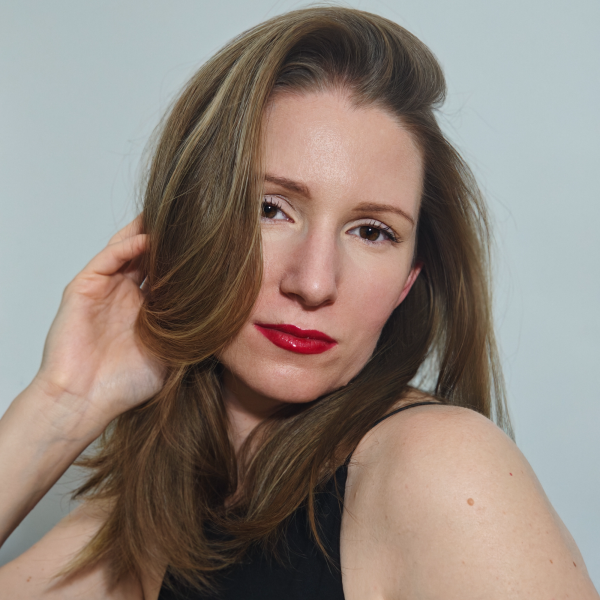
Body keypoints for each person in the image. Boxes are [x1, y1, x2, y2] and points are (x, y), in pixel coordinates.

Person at [0, 6, 597, 599]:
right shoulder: (166, 500)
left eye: (372, 232)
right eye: (271, 209)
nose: (313, 283)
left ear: (408, 281)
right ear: (191, 225)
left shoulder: (440, 469)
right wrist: (65, 400)